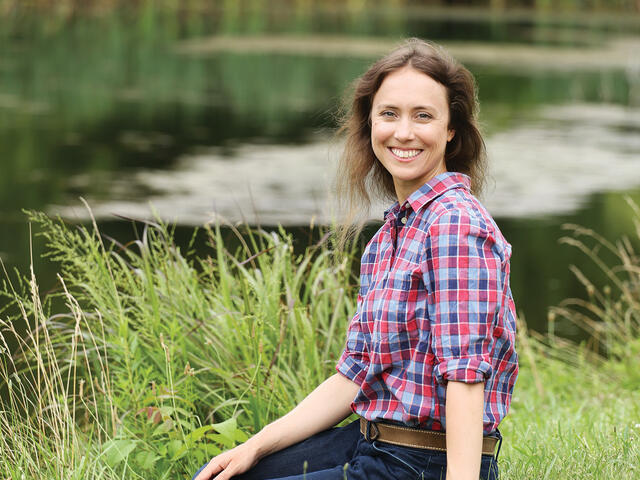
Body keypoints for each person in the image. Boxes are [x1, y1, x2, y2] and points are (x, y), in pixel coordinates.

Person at [193, 38, 518, 480]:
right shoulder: (390, 237)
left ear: (451, 129)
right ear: (369, 123)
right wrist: (253, 446)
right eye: (389, 114)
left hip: (426, 464)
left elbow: (464, 380)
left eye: (423, 115)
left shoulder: (455, 225)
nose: (403, 132)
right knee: (220, 475)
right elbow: (355, 376)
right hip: (370, 441)